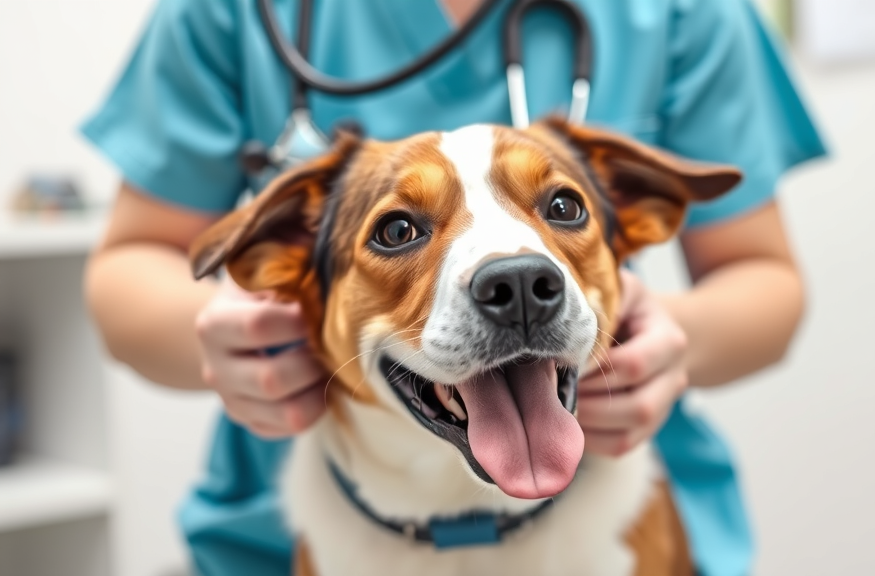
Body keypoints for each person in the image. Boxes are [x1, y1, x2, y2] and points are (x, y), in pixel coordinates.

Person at [82, 0, 824, 574]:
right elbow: (132, 262)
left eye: (560, 207)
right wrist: (221, 340)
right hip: (289, 535)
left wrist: (671, 341)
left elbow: (763, 277)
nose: (516, 277)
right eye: (399, 229)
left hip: (623, 520)